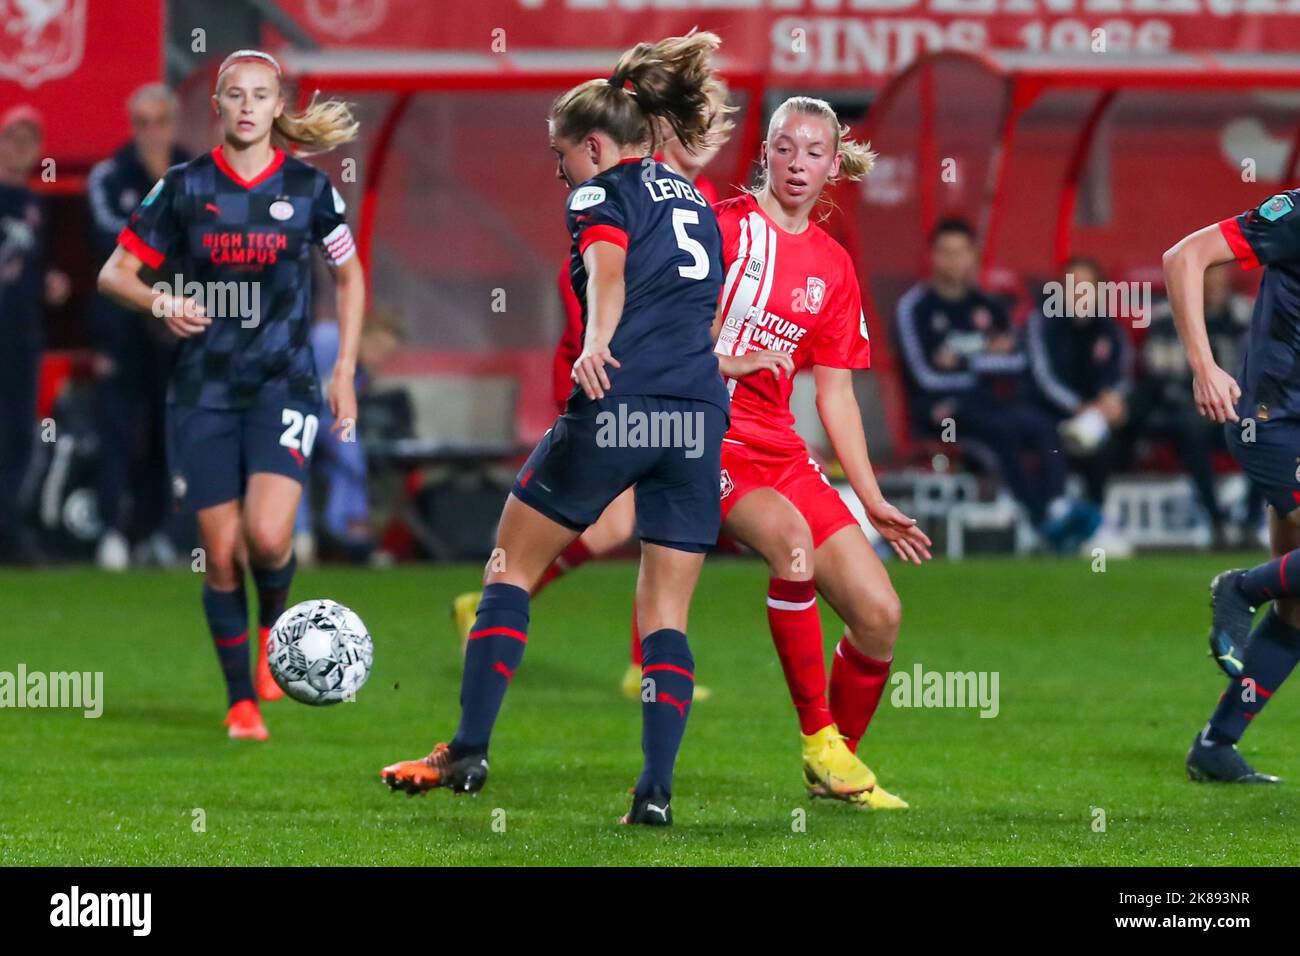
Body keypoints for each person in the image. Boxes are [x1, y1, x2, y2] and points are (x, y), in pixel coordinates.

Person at [381, 31, 768, 825]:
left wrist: (596, 341)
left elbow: (608, 268)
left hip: (621, 404)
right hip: (697, 419)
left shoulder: (603, 193)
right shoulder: (694, 199)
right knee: (665, 615)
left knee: (508, 569)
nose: (560, 173)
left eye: (563, 157)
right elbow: (687, 312)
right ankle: (654, 795)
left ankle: (468, 749)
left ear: (595, 145)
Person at [97, 50, 366, 741]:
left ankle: (276, 626)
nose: (248, 106)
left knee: (268, 535)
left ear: (279, 107)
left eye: (261, 95)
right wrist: (160, 300)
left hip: (284, 385)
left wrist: (342, 374)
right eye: (235, 95)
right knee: (220, 555)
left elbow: (351, 276)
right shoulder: (184, 188)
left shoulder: (309, 189)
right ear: (215, 106)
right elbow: (115, 273)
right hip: (202, 391)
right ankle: (241, 700)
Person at [451, 87, 734, 709]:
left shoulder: (658, 192)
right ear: (665, 126)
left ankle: (507, 609)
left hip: (631, 371)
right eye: (703, 116)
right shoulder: (667, 196)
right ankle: (651, 746)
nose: (712, 130)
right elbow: (600, 277)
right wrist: (602, 338)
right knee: (621, 527)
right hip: (612, 370)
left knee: (624, 528)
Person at [708, 96, 931, 810]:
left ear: (834, 165)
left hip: (781, 449)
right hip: (707, 436)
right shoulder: (725, 232)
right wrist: (728, 358)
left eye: (813, 153)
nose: (798, 164)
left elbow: (835, 397)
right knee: (793, 547)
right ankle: (819, 740)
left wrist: (870, 499)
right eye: (785, 148)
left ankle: (835, 769)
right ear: (764, 154)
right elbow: (666, 335)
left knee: (879, 614)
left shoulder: (833, 267)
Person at [1165, 189, 1300, 783]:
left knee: (1297, 608)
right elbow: (1183, 257)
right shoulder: (1293, 214)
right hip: (1274, 424)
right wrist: (1203, 362)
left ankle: (1216, 745)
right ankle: (1241, 587)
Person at [896, 219, 1093, 550]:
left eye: (961, 252)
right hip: (939, 410)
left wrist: (963, 361)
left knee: (1042, 424)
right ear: (932, 257)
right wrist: (985, 358)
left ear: (974, 255)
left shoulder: (989, 307)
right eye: (946, 252)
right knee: (999, 432)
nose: (954, 260)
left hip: (987, 402)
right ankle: (1041, 521)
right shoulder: (914, 307)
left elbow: (1016, 362)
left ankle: (1057, 507)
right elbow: (924, 375)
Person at [86, 83, 191, 571]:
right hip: (123, 323)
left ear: (173, 123)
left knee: (173, 428)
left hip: (176, 324)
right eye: (142, 123)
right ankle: (111, 529)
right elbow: (113, 240)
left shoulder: (194, 170)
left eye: (159, 122)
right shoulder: (110, 175)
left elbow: (213, 241)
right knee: (119, 429)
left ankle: (160, 532)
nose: (151, 133)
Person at [1133, 263, 1255, 546]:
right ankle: (1215, 521)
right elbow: (1157, 372)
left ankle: (1251, 521)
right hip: (1185, 408)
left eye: (1219, 280)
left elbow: (1263, 365)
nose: (1214, 287)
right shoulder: (1168, 316)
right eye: (1207, 281)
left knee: (1265, 427)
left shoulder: (1246, 314)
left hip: (1237, 408)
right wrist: (1203, 397)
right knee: (1192, 428)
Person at [1024, 255, 1134, 555]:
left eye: (1086, 286)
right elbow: (1042, 377)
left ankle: (1096, 521)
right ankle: (1052, 516)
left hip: (1096, 418)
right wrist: (1079, 407)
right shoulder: (1043, 323)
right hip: (1050, 413)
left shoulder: (1110, 330)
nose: (1079, 294)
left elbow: (1123, 376)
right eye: (1073, 286)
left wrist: (1112, 402)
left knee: (1113, 434)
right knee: (1044, 430)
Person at [0, 105, 68, 564]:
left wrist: (48, 282)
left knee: (19, 433)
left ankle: (9, 526)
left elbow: (25, 268)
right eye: (12, 137)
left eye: (30, 139)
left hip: (23, 335)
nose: (21, 147)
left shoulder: (34, 204)